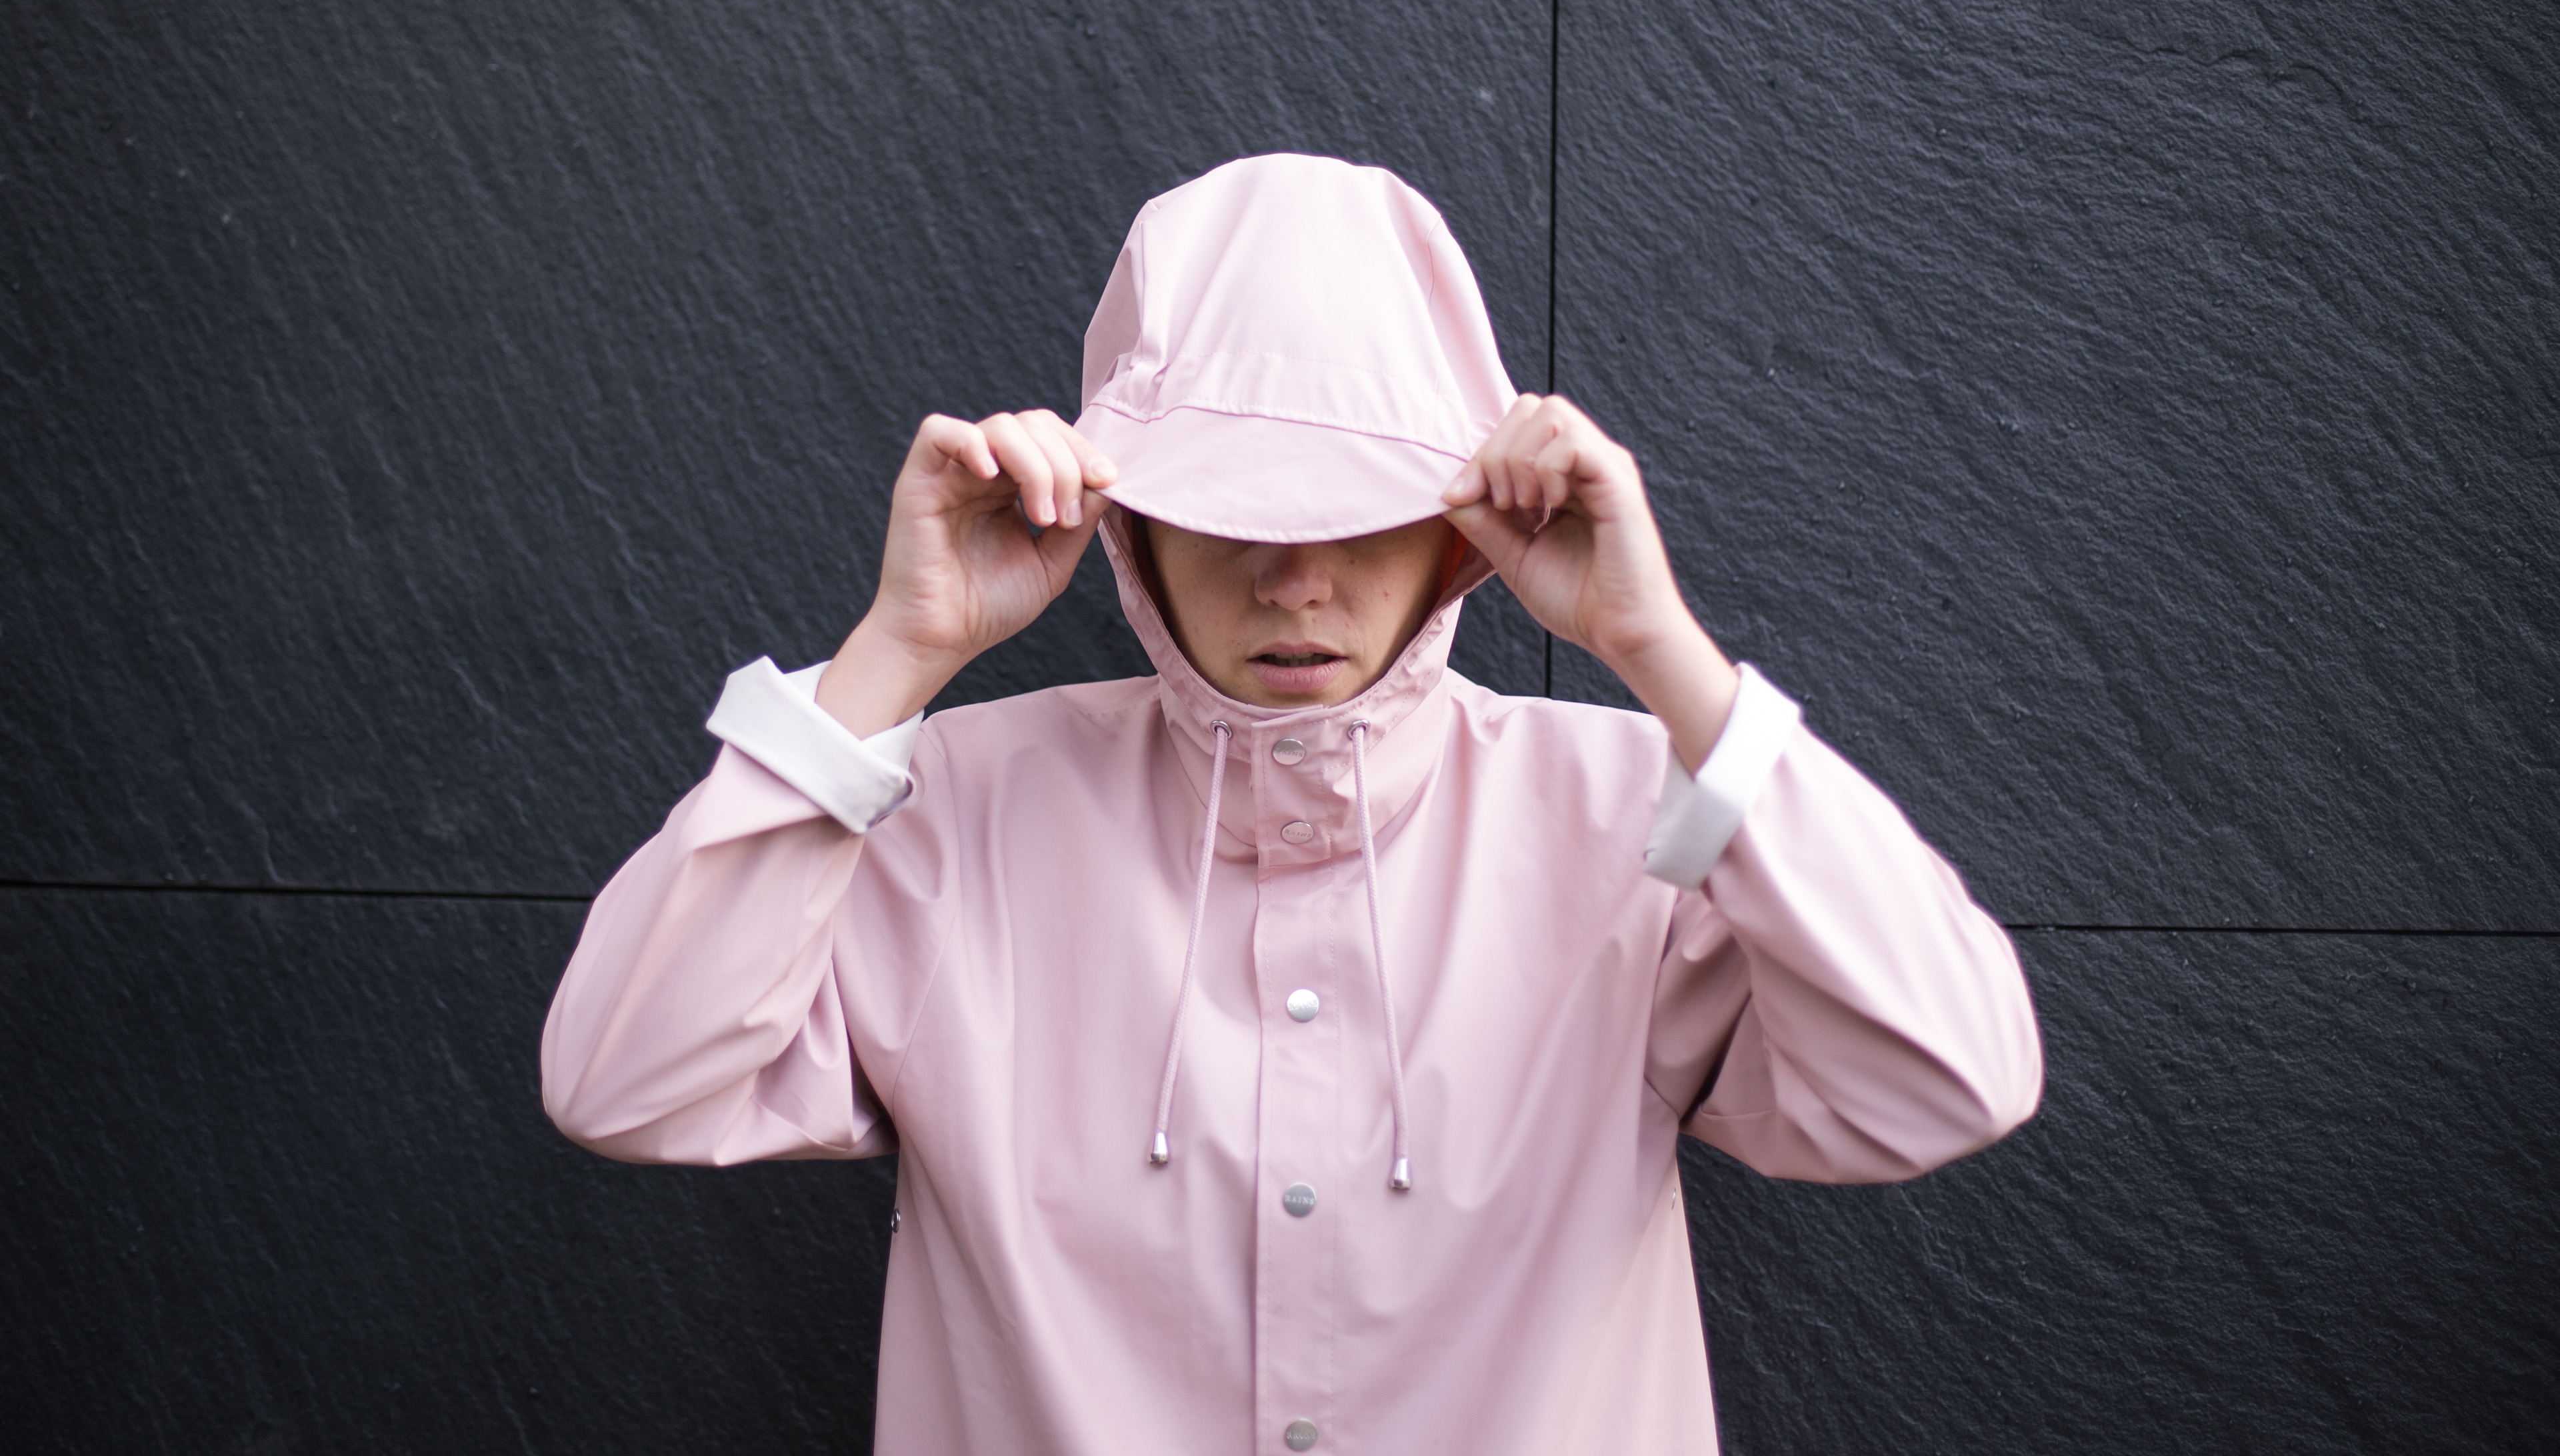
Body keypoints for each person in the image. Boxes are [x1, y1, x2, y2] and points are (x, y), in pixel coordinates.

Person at [541, 153, 2042, 1453]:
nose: (1297, 579)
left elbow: (1949, 1077)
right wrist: (896, 655)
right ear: (1130, 525)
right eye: (1233, 511)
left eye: (1357, 514)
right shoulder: (937, 813)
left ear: (1458, 535)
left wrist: (1664, 653)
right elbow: (629, 1083)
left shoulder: (1630, 822)